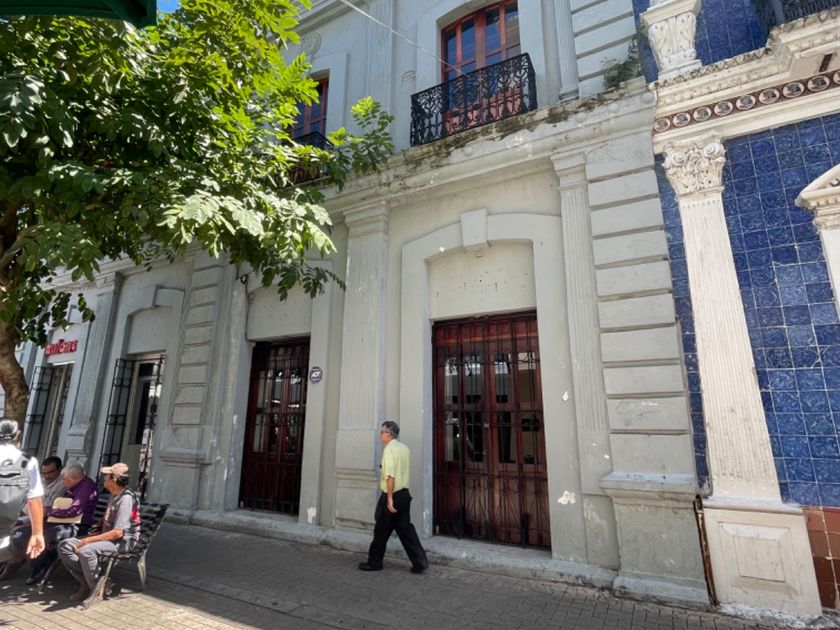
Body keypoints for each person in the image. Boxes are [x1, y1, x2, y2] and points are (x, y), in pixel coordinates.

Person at [58, 462, 139, 603]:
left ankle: (96, 588)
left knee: (86, 550)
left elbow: (118, 533)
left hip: (122, 542)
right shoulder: (114, 494)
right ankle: (89, 582)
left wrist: (87, 540)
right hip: (107, 537)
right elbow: (110, 514)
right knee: (65, 545)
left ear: (114, 479)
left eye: (106, 476)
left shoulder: (126, 499)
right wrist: (99, 524)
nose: (104, 479)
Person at [358, 420, 429, 574]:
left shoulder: (389, 450)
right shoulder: (404, 448)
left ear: (388, 434)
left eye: (382, 432)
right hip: (404, 495)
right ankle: (420, 562)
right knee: (405, 529)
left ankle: (374, 563)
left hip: (392, 496)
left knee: (381, 530)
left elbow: (391, 476)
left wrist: (389, 498)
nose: (380, 434)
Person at [11, 462, 99, 584]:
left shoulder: (86, 487)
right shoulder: (73, 485)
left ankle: (39, 567)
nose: (62, 482)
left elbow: (74, 510)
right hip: (59, 521)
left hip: (78, 525)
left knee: (49, 536)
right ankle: (29, 560)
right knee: (20, 534)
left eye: (65, 479)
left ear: (76, 477)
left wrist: (48, 511)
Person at [0, 419, 44, 577]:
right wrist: (37, 533)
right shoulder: (27, 461)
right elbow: (34, 499)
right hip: (7, 525)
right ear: (18, 435)